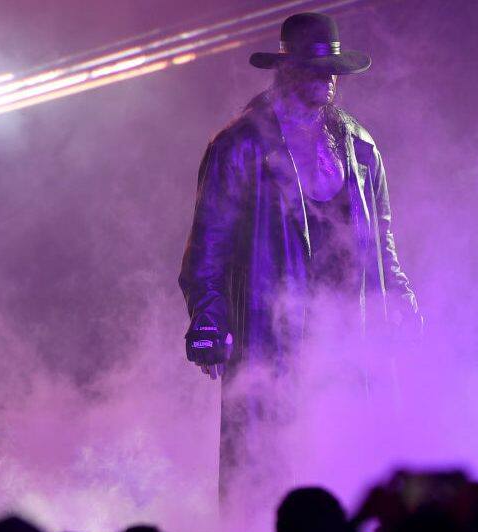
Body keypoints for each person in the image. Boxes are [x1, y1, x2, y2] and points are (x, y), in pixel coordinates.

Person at [179, 12, 421, 498]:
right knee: (268, 476)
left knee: (349, 473)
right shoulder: (240, 146)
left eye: (333, 70)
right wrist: (208, 320)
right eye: (315, 68)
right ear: (286, 70)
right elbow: (208, 245)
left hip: (346, 340)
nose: (327, 79)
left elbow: (382, 241)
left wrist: (398, 294)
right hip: (272, 342)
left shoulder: (361, 148)